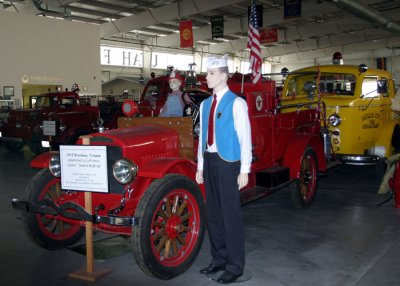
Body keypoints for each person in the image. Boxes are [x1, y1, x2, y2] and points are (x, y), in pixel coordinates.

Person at [196, 55, 252, 284]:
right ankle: (218, 258)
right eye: (207, 73)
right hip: (210, 161)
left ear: (223, 75)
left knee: (230, 215)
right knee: (214, 215)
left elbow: (245, 138)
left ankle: (235, 265)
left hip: (228, 163)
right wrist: (200, 165)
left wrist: (245, 169)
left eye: (210, 73)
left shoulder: (237, 103)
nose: (206, 77)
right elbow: (202, 138)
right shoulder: (205, 104)